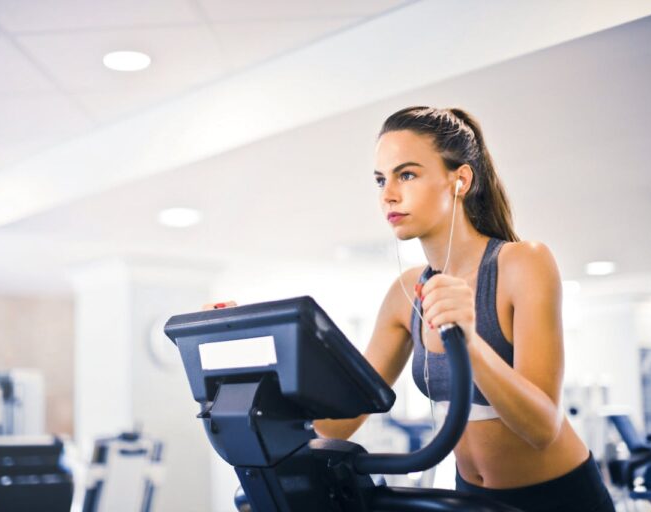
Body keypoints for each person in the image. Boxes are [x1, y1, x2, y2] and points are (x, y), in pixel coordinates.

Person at [205, 106, 615, 512]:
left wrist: (469, 341)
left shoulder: (522, 263)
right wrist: (241, 367)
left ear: (460, 180)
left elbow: (543, 428)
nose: (388, 194)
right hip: (472, 497)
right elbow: (342, 420)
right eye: (381, 179)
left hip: (559, 495)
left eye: (407, 174)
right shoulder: (406, 293)